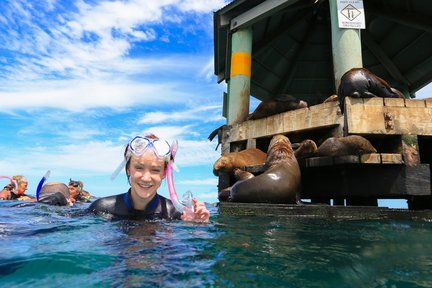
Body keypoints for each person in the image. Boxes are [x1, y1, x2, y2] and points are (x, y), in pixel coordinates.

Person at [89, 134, 210, 222]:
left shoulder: (175, 213)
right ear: (128, 169)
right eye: (139, 168)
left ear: (164, 174)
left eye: (155, 170)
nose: (146, 178)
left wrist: (199, 227)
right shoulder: (101, 207)